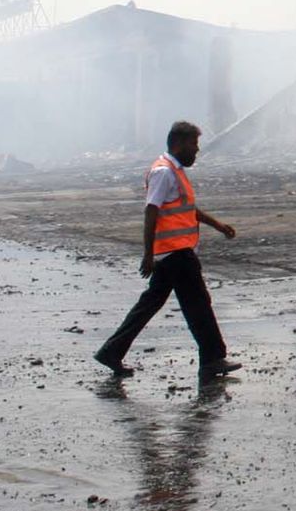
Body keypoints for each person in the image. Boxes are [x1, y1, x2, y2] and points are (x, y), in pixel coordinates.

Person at [95, 121, 243, 381]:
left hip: (173, 253)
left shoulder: (174, 171)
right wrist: (148, 254)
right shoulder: (164, 172)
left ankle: (111, 351)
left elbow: (186, 209)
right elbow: (151, 212)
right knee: (199, 304)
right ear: (179, 144)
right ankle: (212, 358)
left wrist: (217, 225)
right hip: (175, 254)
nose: (196, 151)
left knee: (150, 304)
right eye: (193, 146)